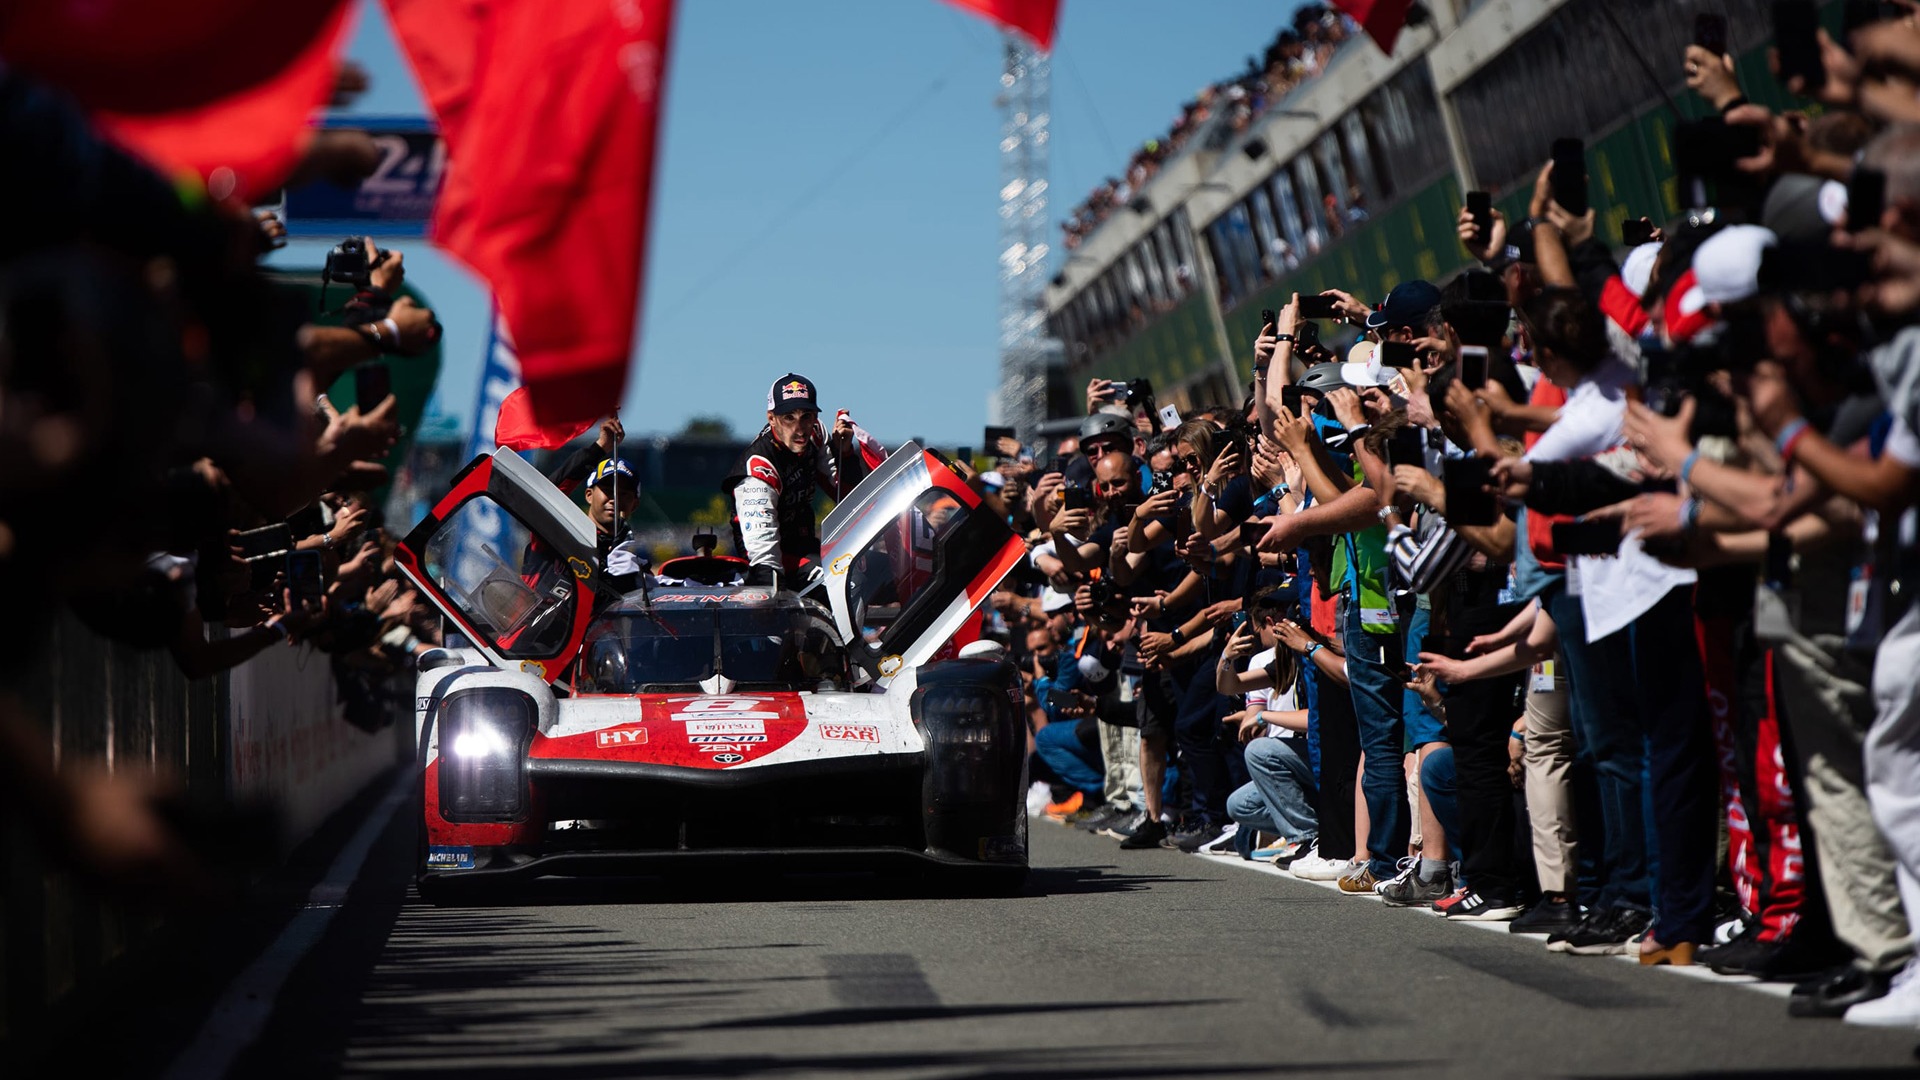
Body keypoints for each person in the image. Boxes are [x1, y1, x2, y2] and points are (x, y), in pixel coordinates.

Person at [723, 373, 875, 588]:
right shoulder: (758, 470)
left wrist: (845, 452)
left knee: (884, 570)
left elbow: (848, 499)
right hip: (773, 557)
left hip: (807, 546)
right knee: (847, 583)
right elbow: (763, 557)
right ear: (771, 418)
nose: (799, 428)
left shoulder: (816, 433)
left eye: (806, 416)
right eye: (789, 418)